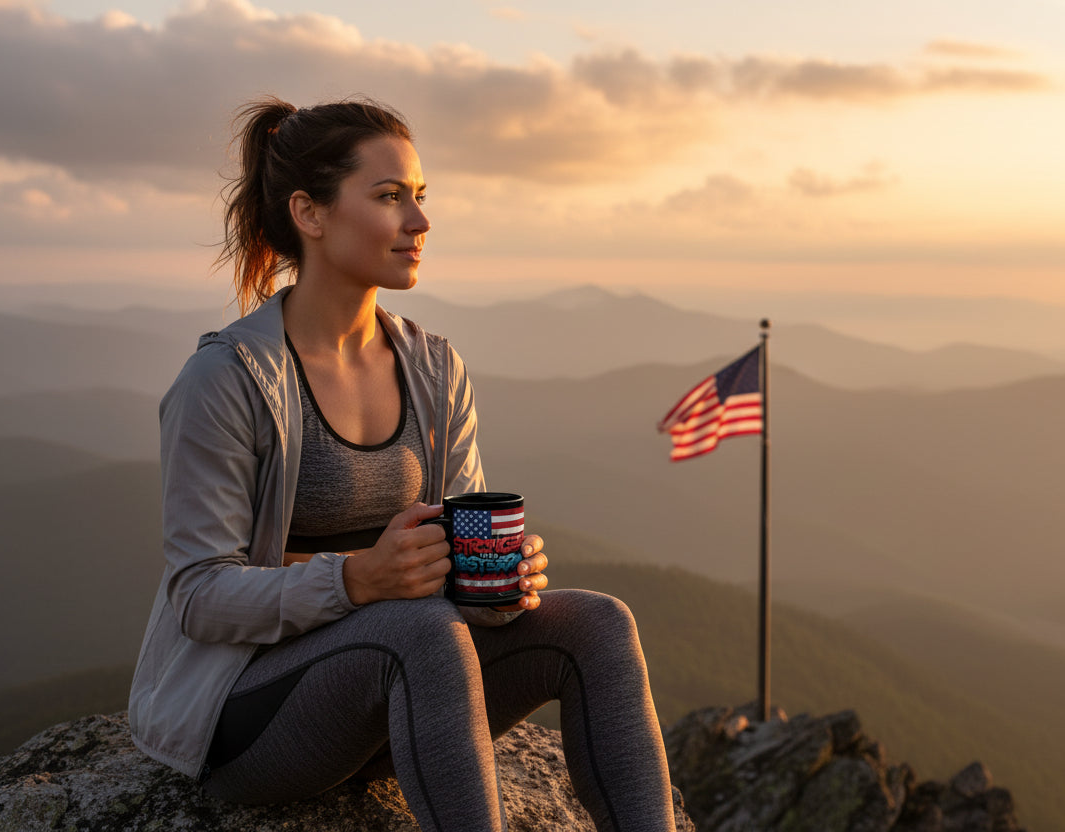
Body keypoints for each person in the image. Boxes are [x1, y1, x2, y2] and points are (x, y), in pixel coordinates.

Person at [127, 96, 676, 831]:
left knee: (600, 624)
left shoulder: (433, 368)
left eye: (420, 197)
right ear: (310, 214)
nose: (419, 222)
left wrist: (500, 582)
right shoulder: (226, 381)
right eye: (389, 198)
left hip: (402, 691)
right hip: (248, 715)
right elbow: (196, 594)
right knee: (418, 632)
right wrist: (357, 579)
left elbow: (455, 549)